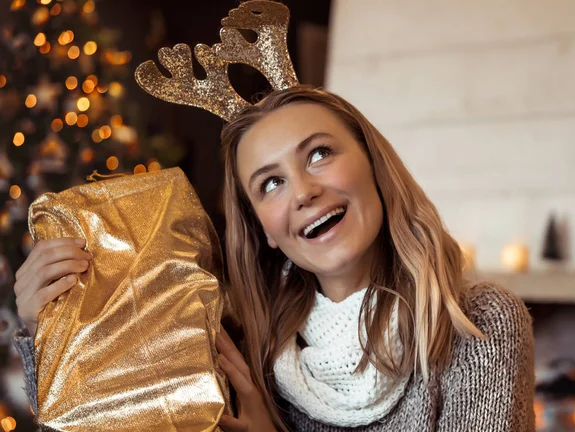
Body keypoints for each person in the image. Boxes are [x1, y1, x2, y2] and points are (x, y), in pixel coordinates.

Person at [13, 84, 535, 431]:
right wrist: (50, 329)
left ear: (373, 165)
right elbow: (98, 420)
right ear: (264, 229)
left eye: (319, 154)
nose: (304, 191)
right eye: (271, 183)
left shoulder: (478, 323)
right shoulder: (243, 340)